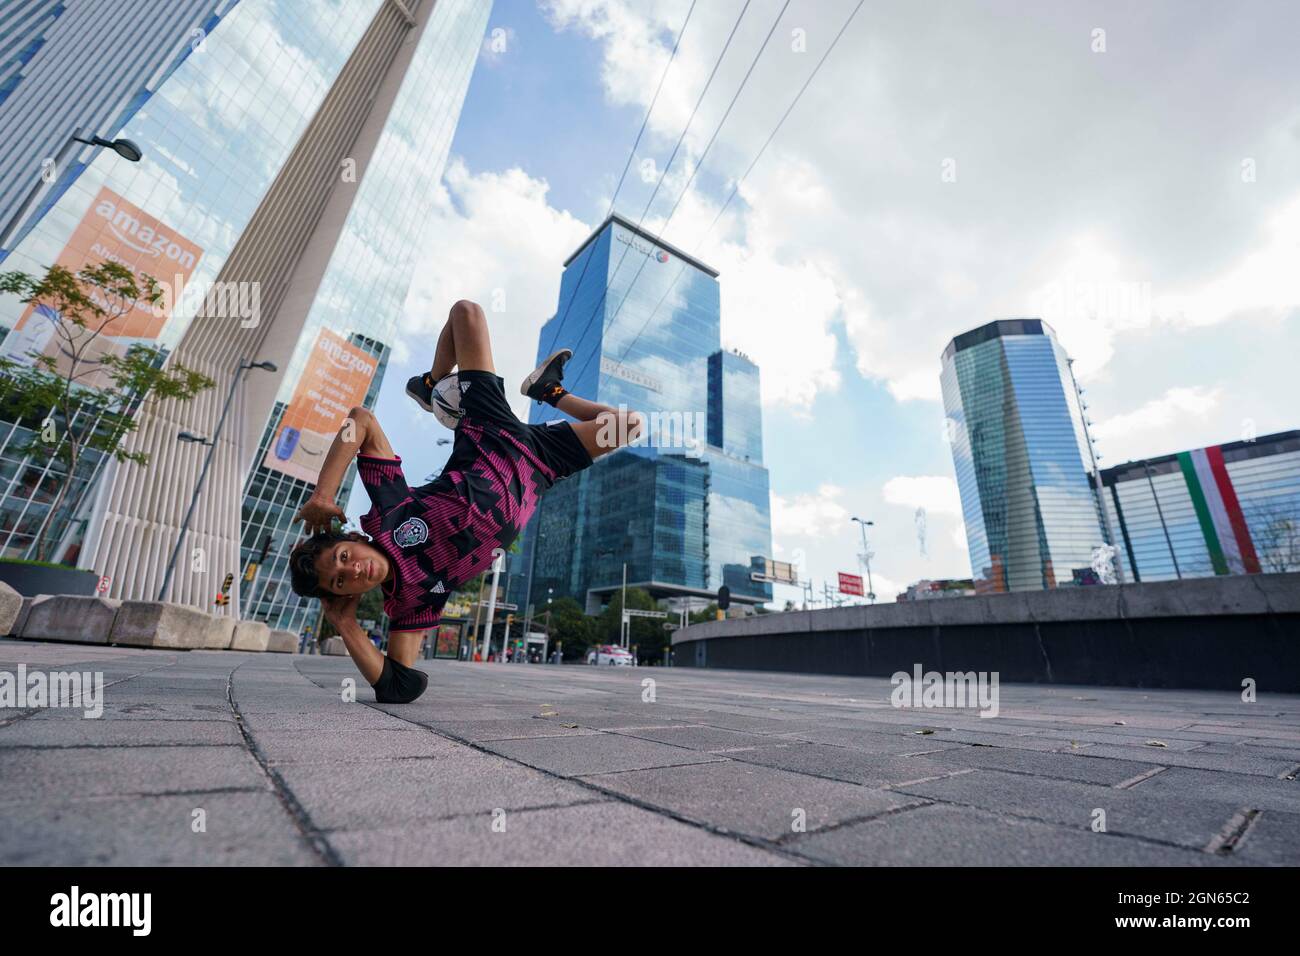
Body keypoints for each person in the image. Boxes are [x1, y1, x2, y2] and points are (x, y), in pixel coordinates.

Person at [287, 299, 644, 703]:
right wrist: (344, 624)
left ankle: (428, 384)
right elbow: (401, 688)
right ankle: (549, 390)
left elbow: (361, 420)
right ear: (344, 594)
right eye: (339, 581)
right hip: (540, 466)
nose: (351, 570)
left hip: (489, 431)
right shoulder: (411, 603)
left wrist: (323, 494)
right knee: (628, 426)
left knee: (467, 312)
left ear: (350, 538)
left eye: (342, 557)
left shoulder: (389, 514)